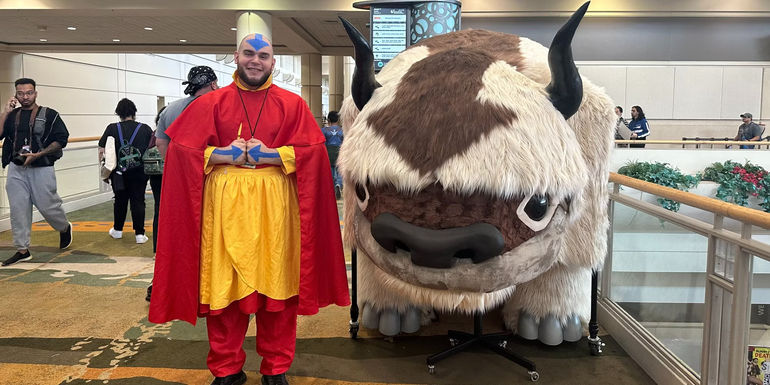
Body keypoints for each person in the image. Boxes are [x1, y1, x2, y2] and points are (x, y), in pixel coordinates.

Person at [148, 33, 350, 385]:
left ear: (273, 62)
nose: (255, 60)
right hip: (222, 216)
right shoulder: (210, 103)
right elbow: (181, 152)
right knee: (224, 292)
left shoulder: (292, 104)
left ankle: (276, 367)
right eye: (249, 53)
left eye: (263, 55)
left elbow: (314, 154)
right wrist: (221, 154)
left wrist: (271, 155)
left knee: (278, 290)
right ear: (236, 56)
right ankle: (227, 369)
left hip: (277, 216)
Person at [146, 66, 219, 302]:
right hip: (212, 179)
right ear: (213, 84)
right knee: (210, 229)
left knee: (173, 228)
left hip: (177, 180)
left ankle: (163, 283)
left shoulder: (171, 109)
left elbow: (161, 143)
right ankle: (208, 283)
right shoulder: (217, 106)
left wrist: (176, 166)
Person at [0, 78, 72, 266]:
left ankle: (64, 227)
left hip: (42, 167)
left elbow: (61, 139)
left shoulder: (50, 114)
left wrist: (39, 154)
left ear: (35, 93)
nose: (25, 97)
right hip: (16, 168)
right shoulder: (11, 115)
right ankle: (22, 250)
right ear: (16, 95)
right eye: (21, 93)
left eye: (29, 93)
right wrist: (5, 111)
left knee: (48, 206)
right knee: (18, 209)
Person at [98, 99, 153, 244]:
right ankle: (140, 234)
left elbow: (102, 151)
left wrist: (105, 171)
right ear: (134, 112)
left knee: (120, 200)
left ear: (118, 113)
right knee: (138, 200)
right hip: (140, 171)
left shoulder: (112, 128)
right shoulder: (145, 129)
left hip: (118, 173)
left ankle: (117, 230)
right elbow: (152, 149)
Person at [321, 110, 343, 198]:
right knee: (340, 171)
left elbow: (322, 143)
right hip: (339, 151)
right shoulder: (343, 130)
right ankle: (338, 184)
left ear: (328, 120)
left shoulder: (324, 130)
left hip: (329, 152)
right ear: (338, 119)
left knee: (331, 171)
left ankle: (333, 189)